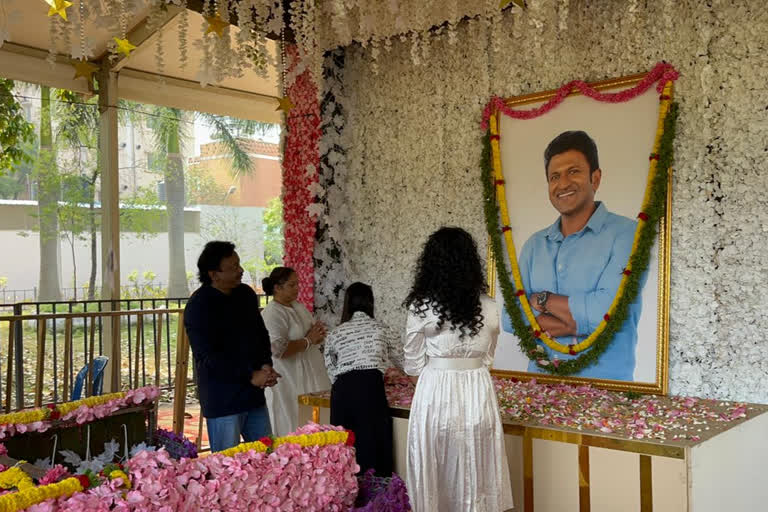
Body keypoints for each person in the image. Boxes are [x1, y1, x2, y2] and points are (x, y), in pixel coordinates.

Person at [502, 130, 647, 381]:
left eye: (574, 171)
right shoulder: (535, 245)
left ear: (596, 178)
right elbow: (509, 317)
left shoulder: (629, 235)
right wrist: (573, 324)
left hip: (606, 391)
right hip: (540, 387)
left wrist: (541, 300)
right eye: (554, 176)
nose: (563, 183)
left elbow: (606, 311)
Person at [404, 227, 513, 512]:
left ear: (430, 264)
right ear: (470, 263)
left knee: (434, 464)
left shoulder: (421, 307)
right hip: (477, 390)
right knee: (476, 462)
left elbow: (412, 363)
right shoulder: (490, 307)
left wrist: (437, 372)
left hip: (435, 390)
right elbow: (489, 357)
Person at [184, 241, 280, 452]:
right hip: (223, 398)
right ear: (213, 274)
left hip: (253, 395)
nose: (240, 271)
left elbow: (261, 335)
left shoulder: (245, 294)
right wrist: (250, 374)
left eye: (239, 264)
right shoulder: (199, 306)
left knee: (269, 459)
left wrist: (265, 365)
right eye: (233, 267)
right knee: (227, 467)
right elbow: (208, 357)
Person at [324, 282, 405, 476]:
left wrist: (346, 381)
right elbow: (404, 361)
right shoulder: (382, 329)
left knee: (345, 445)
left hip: (342, 391)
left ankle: (346, 492)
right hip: (370, 388)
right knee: (373, 442)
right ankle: (376, 495)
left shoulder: (335, 333)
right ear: (371, 303)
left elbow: (331, 367)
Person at [261, 267, 331, 436]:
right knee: (292, 425)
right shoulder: (272, 313)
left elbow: (314, 334)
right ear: (277, 288)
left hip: (312, 374)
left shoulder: (298, 306)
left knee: (318, 427)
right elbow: (277, 349)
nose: (297, 288)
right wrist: (308, 340)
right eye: (292, 285)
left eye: (298, 284)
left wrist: (317, 335)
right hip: (288, 378)